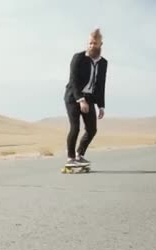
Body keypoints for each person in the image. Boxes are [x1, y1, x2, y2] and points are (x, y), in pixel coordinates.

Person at [63, 28, 108, 165]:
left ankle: (79, 154)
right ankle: (70, 159)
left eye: (94, 43)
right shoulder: (78, 58)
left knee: (92, 129)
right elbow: (74, 81)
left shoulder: (103, 63)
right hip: (73, 96)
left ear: (100, 44)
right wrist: (81, 100)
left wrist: (101, 105)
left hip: (89, 98)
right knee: (75, 127)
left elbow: (101, 84)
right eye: (89, 43)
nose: (91, 46)